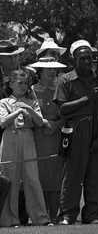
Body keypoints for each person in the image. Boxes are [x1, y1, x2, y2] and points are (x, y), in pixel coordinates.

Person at [55, 40, 98, 225]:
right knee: (72, 175)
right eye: (83, 58)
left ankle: (92, 214)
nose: (88, 61)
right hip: (74, 130)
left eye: (90, 58)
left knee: (95, 175)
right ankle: (68, 214)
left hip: (95, 130)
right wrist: (87, 98)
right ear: (73, 59)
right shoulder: (65, 80)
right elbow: (62, 109)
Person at [0, 66, 52, 226]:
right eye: (20, 83)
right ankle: (10, 219)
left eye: (26, 83)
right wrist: (17, 111)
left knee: (32, 177)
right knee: (11, 178)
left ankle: (41, 217)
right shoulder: (4, 102)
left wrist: (27, 107)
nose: (23, 86)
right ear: (11, 85)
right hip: (10, 137)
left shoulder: (32, 102)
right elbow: (3, 122)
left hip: (27, 137)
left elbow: (39, 121)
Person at [29, 57, 66, 220]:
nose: (52, 72)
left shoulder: (61, 88)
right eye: (48, 69)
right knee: (40, 175)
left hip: (56, 136)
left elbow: (66, 113)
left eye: (54, 69)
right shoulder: (31, 90)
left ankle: (54, 213)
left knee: (56, 175)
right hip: (38, 137)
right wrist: (43, 124)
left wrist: (56, 126)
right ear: (40, 71)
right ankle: (42, 215)